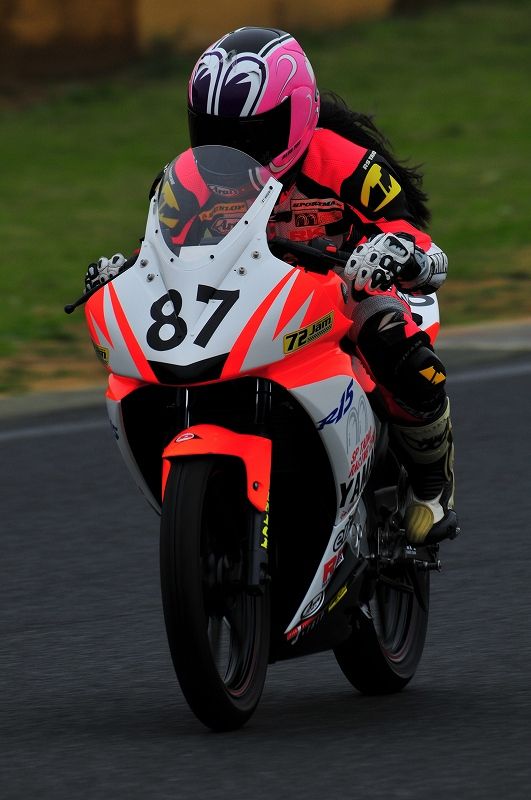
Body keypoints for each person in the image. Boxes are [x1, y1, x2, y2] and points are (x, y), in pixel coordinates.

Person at [85, 27, 457, 545]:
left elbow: (409, 229)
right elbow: (160, 249)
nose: (232, 150)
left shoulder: (346, 163)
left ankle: (432, 483)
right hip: (248, 299)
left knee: (398, 348)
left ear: (298, 116)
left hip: (341, 289)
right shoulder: (187, 182)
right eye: (213, 132)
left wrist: (396, 251)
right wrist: (126, 272)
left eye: (253, 133)